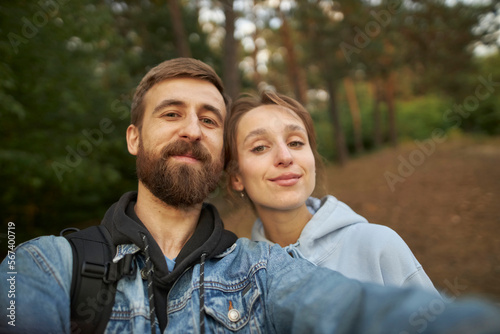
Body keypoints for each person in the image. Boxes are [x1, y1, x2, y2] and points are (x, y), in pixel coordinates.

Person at [1, 57, 500, 334]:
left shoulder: (263, 270)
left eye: (210, 119)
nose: (193, 129)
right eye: (171, 113)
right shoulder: (45, 264)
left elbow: (349, 307)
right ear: (133, 137)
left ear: (220, 157)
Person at [224, 91, 438, 293]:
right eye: (260, 147)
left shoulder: (378, 246)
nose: (285, 156)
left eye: (296, 142)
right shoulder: (236, 284)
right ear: (236, 177)